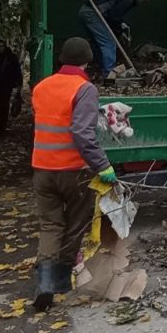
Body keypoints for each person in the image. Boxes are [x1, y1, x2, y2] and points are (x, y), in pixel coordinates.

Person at [30, 37, 117, 311]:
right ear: (87, 61)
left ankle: (44, 283)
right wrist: (103, 165)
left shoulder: (41, 87)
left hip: (42, 169)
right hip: (74, 171)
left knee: (50, 225)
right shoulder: (84, 89)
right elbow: (82, 132)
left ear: (61, 59)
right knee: (75, 225)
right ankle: (60, 280)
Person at [77, 0, 151, 79]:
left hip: (85, 11)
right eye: (143, 2)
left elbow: (112, 15)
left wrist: (120, 29)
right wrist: (119, 31)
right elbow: (114, 16)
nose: (141, 5)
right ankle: (108, 74)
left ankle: (99, 67)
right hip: (92, 13)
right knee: (109, 43)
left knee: (97, 42)